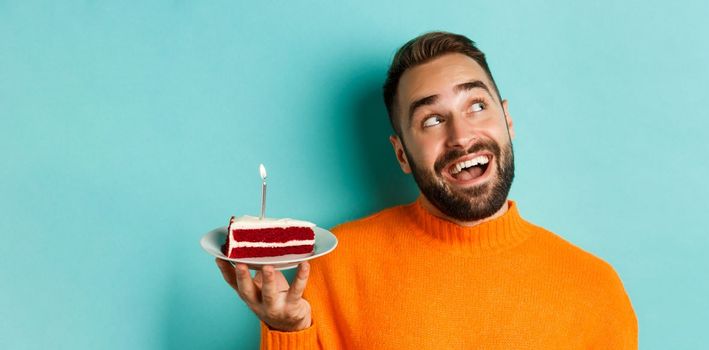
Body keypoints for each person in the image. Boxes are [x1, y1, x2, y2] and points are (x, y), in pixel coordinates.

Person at [215, 31, 638, 349]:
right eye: (432, 120)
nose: (462, 136)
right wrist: (289, 333)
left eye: (476, 106)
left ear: (507, 120)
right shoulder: (332, 268)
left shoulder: (595, 289)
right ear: (401, 154)